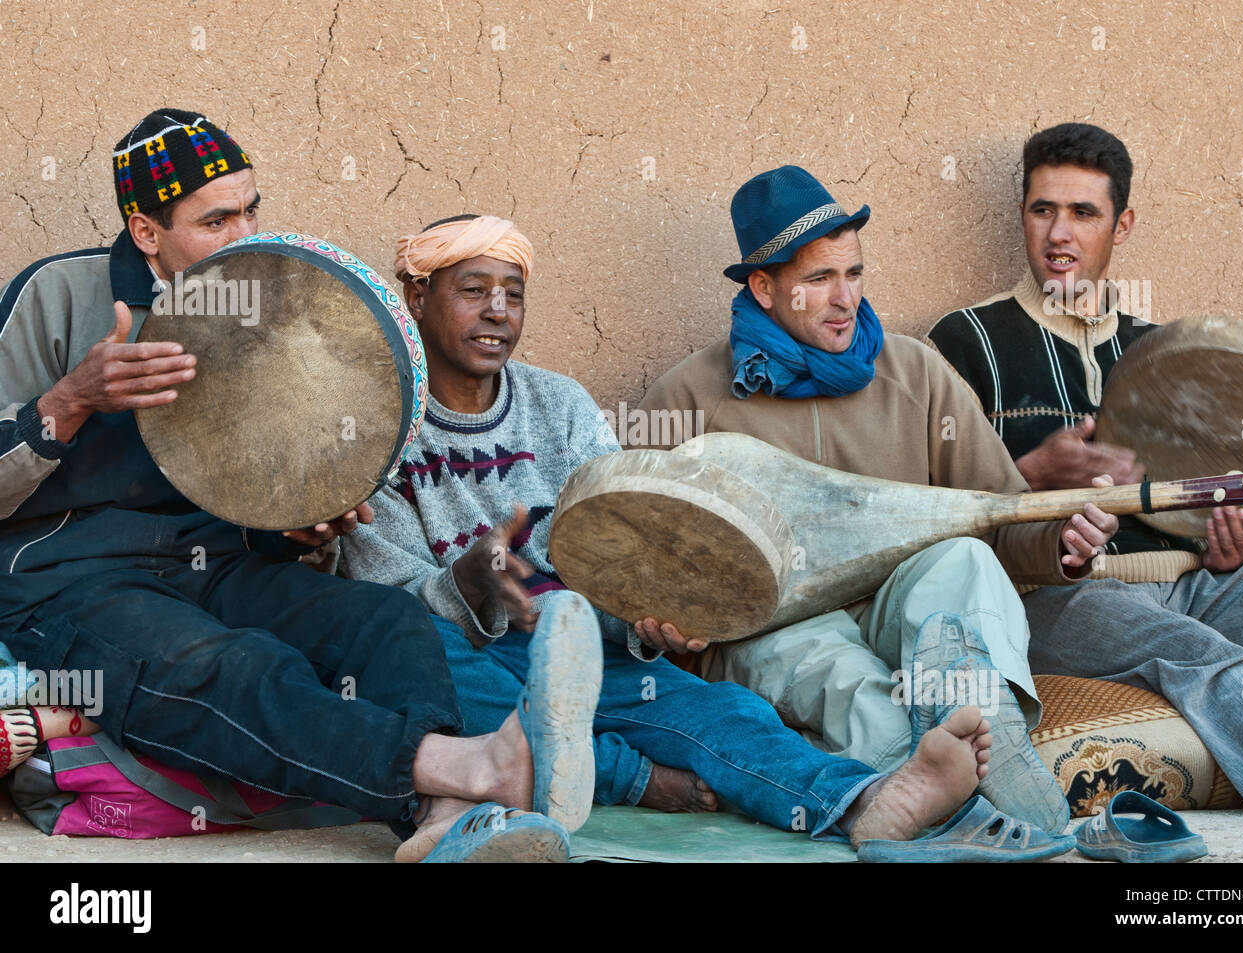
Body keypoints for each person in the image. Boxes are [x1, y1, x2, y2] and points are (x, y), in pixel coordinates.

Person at [338, 212, 1036, 859]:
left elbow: (624, 551)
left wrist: (647, 622)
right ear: (417, 297)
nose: (498, 311)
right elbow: (383, 603)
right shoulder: (378, 428)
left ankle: (868, 799)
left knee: (723, 710)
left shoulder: (561, 404)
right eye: (473, 290)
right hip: (456, 651)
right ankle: (632, 776)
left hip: (579, 647)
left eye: (513, 294)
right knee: (449, 684)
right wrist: (464, 584)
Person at [0, 108, 598, 863]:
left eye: (252, 208)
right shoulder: (56, 296)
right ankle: (473, 767)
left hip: (213, 568)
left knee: (383, 621)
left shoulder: (266, 298)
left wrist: (299, 528)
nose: (244, 233)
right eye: (216, 219)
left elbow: (248, 488)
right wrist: (71, 399)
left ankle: (444, 812)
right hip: (68, 581)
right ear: (147, 233)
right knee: (233, 664)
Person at [636, 166, 1121, 834]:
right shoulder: (689, 397)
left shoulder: (914, 371)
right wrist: (661, 619)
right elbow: (639, 564)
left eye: (854, 273)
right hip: (776, 626)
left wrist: (1059, 541)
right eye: (818, 280)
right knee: (830, 667)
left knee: (964, 562)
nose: (845, 300)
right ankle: (958, 791)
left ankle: (990, 736)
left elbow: (1000, 515)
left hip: (903, 604)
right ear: (763, 287)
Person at [927, 122, 1243, 814]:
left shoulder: (1160, 349)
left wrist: (1225, 545)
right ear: (1022, 216)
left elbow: (1201, 506)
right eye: (1043, 210)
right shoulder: (965, 341)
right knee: (1191, 650)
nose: (1059, 234)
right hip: (1063, 599)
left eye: (1083, 213)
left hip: (1198, 590)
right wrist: (1032, 471)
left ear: (1121, 225)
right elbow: (934, 507)